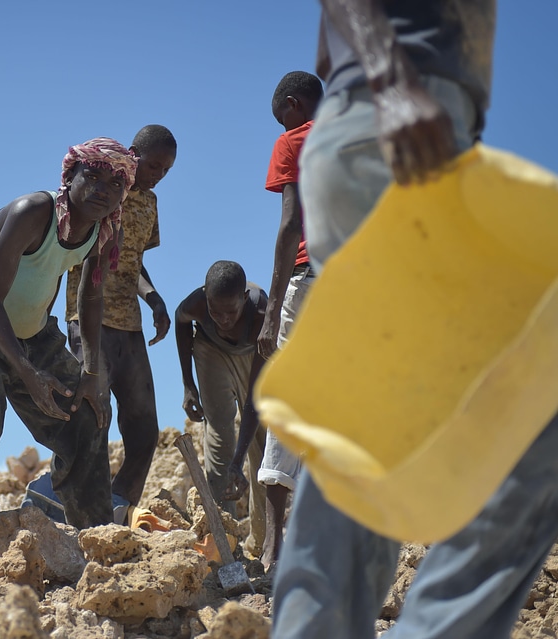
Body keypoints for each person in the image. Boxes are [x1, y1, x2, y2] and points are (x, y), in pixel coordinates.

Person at [267, 3, 549, 639]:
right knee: (531, 398)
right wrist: (392, 79)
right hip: (396, 132)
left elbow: (324, 56)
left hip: (393, 136)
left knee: (372, 418)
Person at [0, 137, 138, 561]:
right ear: (70, 176)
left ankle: (97, 542)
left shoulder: (105, 229)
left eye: (116, 183)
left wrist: (91, 373)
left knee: (87, 418)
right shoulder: (33, 213)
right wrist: (28, 375)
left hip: (35, 335)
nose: (104, 189)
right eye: (94, 175)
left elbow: (90, 297)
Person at [63, 125, 177, 509]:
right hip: (88, 319)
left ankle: (116, 507)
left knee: (144, 430)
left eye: (166, 170)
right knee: (91, 417)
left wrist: (154, 298)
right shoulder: (103, 189)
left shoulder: (150, 204)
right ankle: (71, 504)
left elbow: (134, 261)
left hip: (129, 324)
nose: (158, 174)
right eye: (154, 165)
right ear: (133, 154)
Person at [255, 70, 324, 569]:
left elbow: (289, 223)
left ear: (294, 105)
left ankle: (276, 544)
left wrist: (272, 306)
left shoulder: (295, 140)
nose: (282, 124)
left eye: (282, 116)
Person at [175, 260, 269, 556]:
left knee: (262, 443)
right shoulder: (197, 305)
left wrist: (239, 462)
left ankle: (261, 541)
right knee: (218, 431)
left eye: (231, 311)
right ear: (206, 297)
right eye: (216, 311)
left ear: (243, 299)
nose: (224, 318)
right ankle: (222, 540)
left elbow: (253, 402)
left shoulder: (260, 315)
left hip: (252, 353)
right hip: (210, 350)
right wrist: (188, 384)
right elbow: (180, 321)